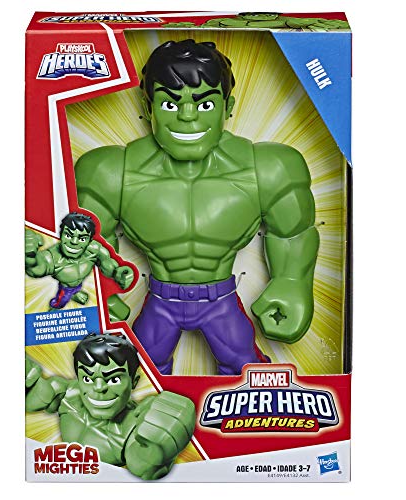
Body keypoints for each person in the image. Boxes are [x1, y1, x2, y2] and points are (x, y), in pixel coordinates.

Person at [75, 40, 319, 375]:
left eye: (204, 104)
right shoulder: (112, 171)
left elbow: (293, 232)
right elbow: (88, 241)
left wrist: (291, 282)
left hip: (221, 301)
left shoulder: (267, 168)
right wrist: (99, 294)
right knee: (138, 376)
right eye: (170, 103)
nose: (187, 116)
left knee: (247, 372)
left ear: (227, 106)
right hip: (161, 302)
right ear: (148, 106)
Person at [26, 333, 196, 480]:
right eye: (88, 378)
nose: (99, 388)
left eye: (113, 379)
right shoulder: (68, 394)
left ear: (134, 382)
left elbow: (145, 467)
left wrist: (166, 436)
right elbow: (35, 395)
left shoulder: (132, 429)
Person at [25, 212, 134, 312]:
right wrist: (29, 256)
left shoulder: (94, 250)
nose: (74, 242)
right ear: (61, 235)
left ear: (90, 240)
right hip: (66, 287)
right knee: (61, 301)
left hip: (78, 283)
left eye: (82, 239)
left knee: (77, 286)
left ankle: (75, 293)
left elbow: (109, 266)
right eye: (68, 235)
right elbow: (36, 268)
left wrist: (120, 274)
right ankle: (54, 310)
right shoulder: (53, 257)